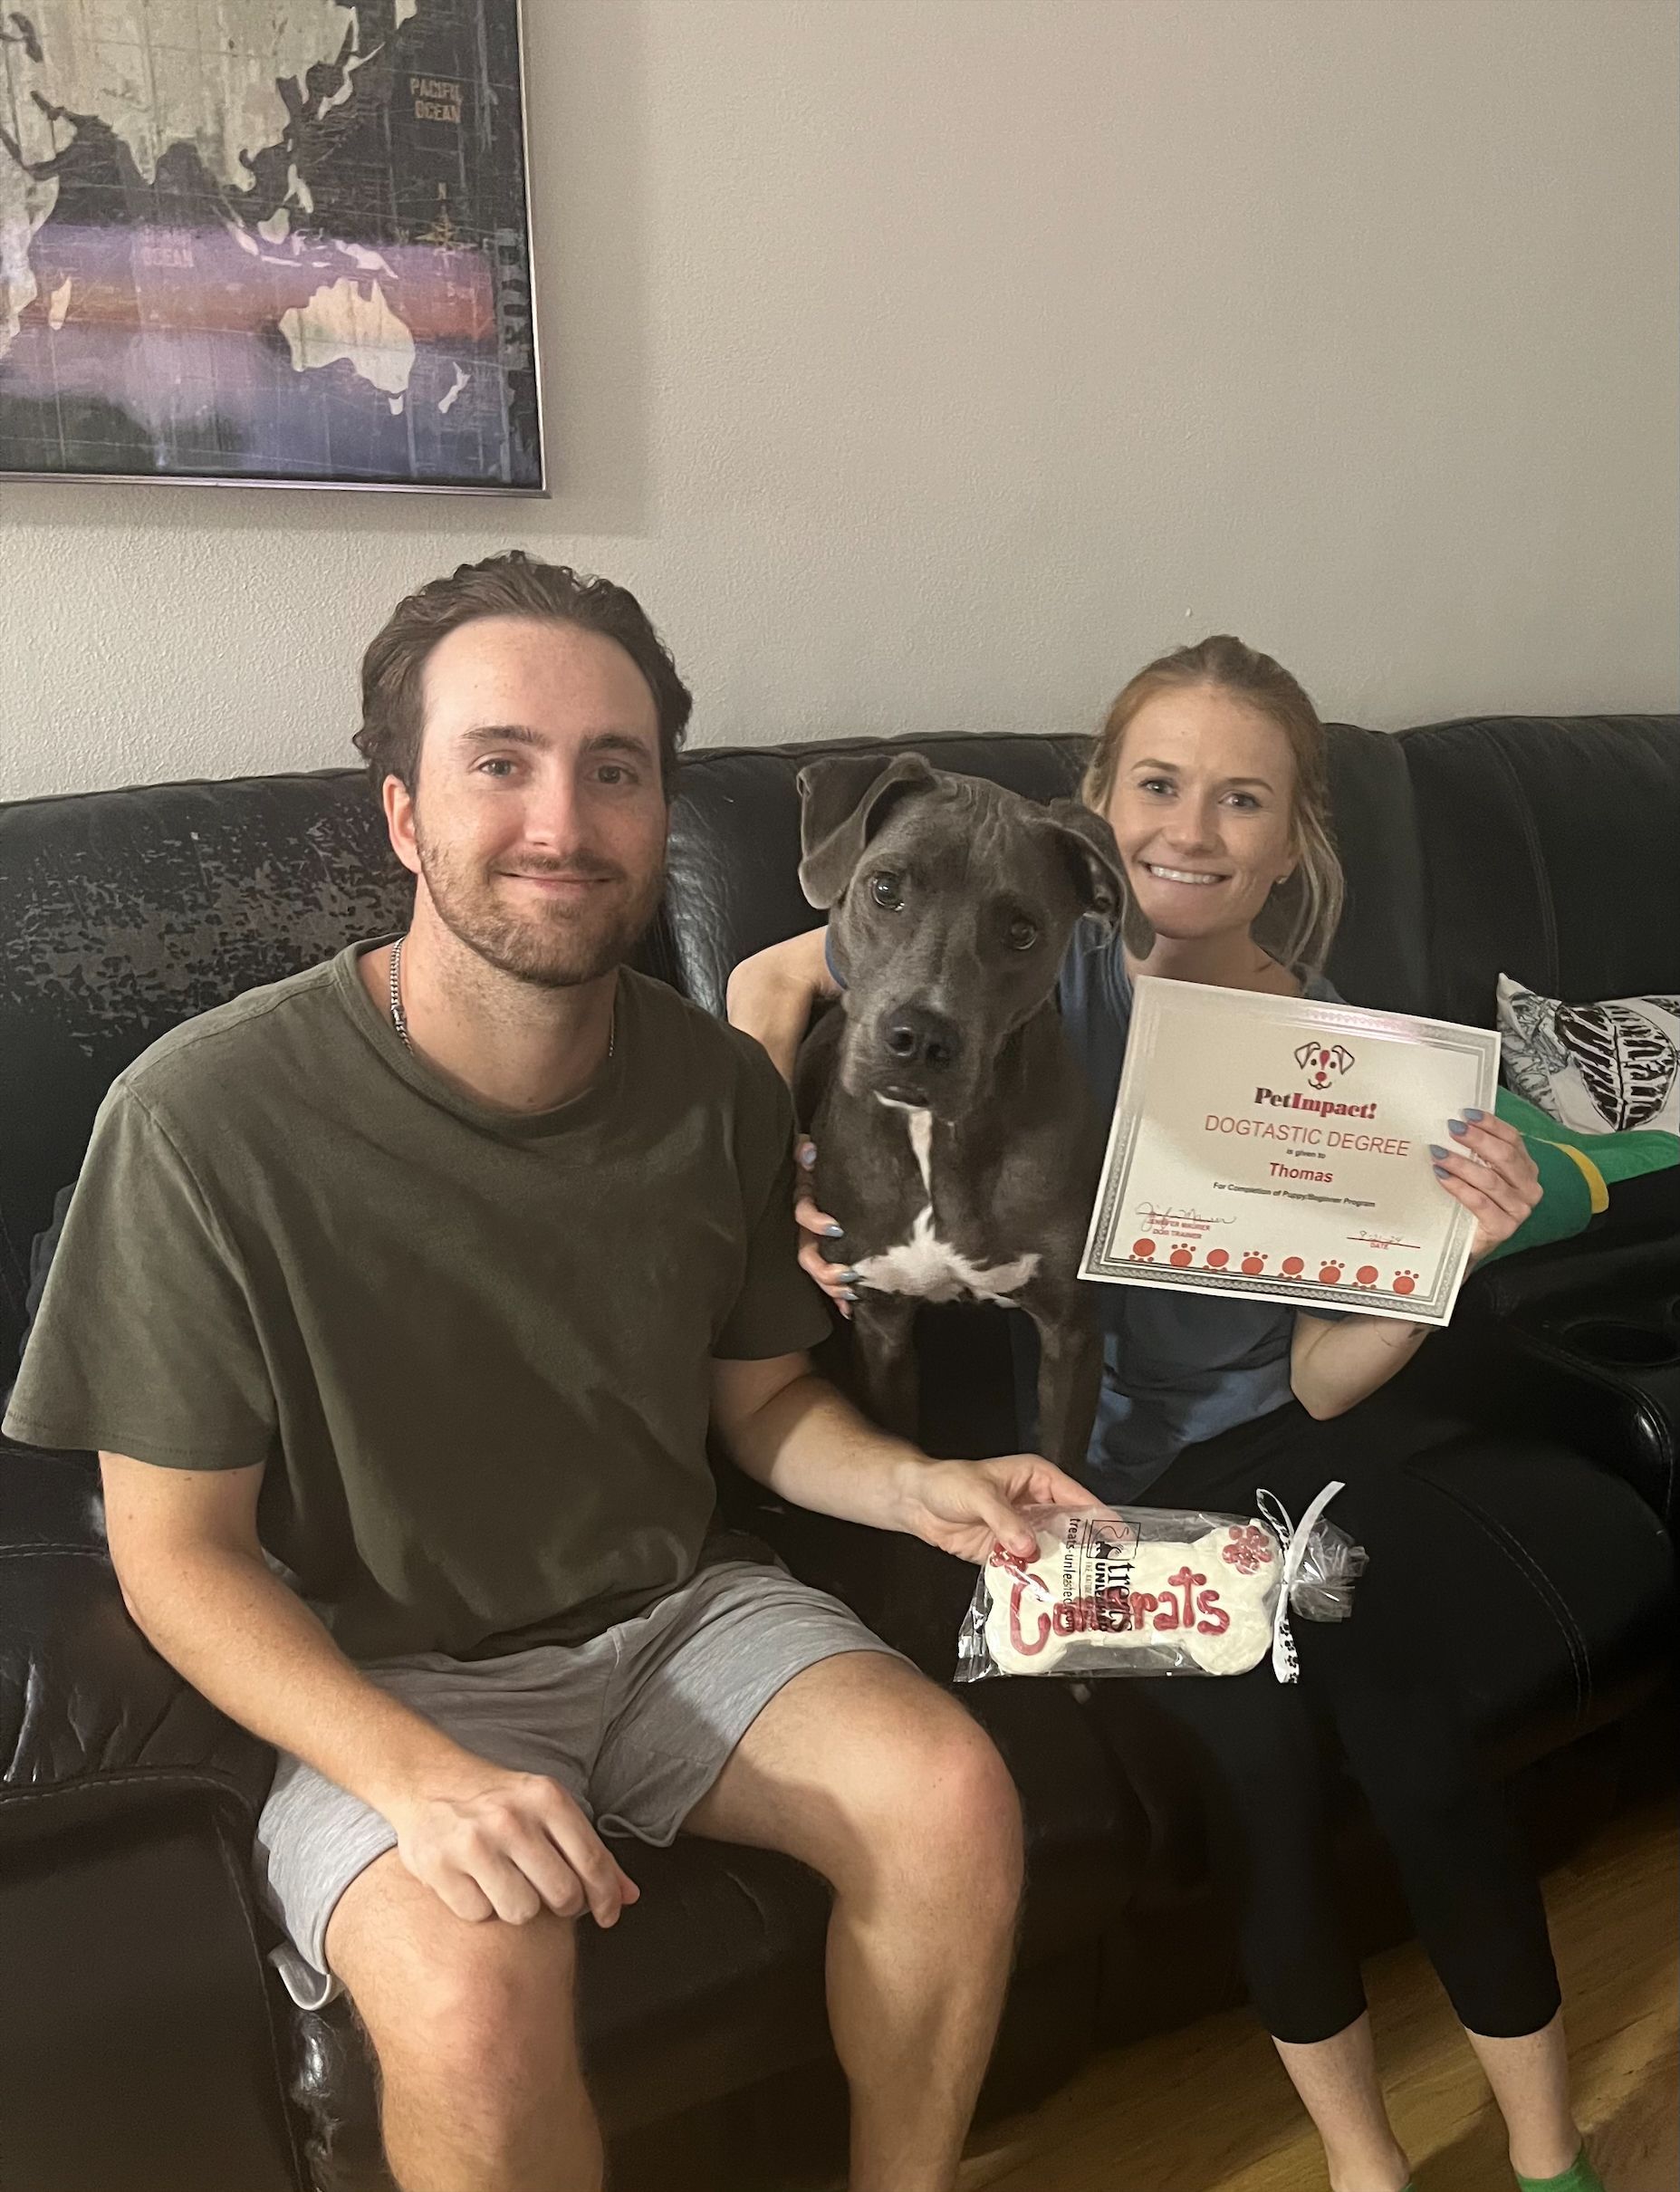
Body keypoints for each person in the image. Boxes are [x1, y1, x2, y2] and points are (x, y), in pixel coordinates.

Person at [3, 553, 1095, 2192]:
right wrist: (413, 1772)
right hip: (375, 1675)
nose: (562, 825)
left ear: (665, 816)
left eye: (614, 772)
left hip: (672, 1612)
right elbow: (175, 1556)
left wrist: (922, 1483)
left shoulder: (725, 1092)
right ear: (402, 814)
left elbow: (769, 1407)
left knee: (953, 1803)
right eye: (498, 763)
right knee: (474, 1997)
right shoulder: (197, 1123)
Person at [727, 635, 1605, 2192]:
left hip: (1275, 1456)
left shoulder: (1333, 1064)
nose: (1193, 828)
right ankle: (1364, 2170)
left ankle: (1550, 2159)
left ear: (1293, 839)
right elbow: (778, 973)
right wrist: (757, 1189)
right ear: (1099, 810)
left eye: (1244, 798)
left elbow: (1328, 1379)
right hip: (1095, 1495)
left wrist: (1436, 1260)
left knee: (1419, 1747)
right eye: (1159, 784)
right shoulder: (1030, 938)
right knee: (1259, 1779)